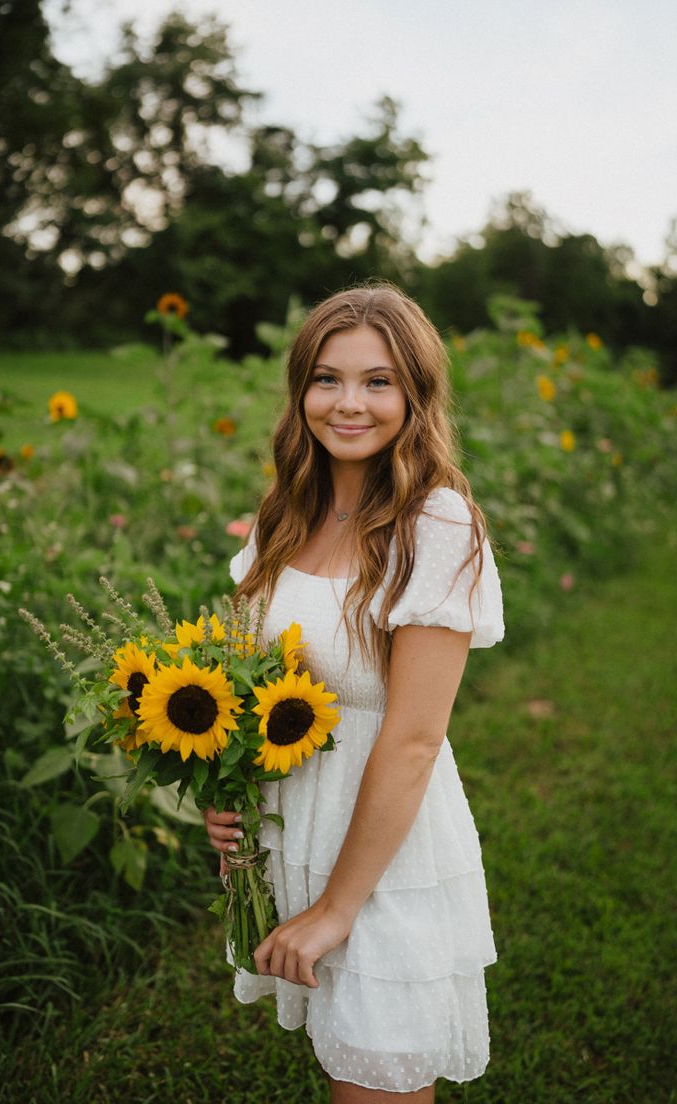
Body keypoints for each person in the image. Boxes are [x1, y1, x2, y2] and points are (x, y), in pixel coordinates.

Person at [203, 280, 505, 1103]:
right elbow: (251, 685)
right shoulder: (286, 515)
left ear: (415, 394)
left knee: (375, 1070)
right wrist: (221, 789)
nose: (349, 403)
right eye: (327, 378)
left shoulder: (436, 528)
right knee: (340, 1058)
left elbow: (413, 740)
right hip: (292, 827)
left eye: (378, 381)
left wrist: (338, 907)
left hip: (381, 852)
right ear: (301, 388)